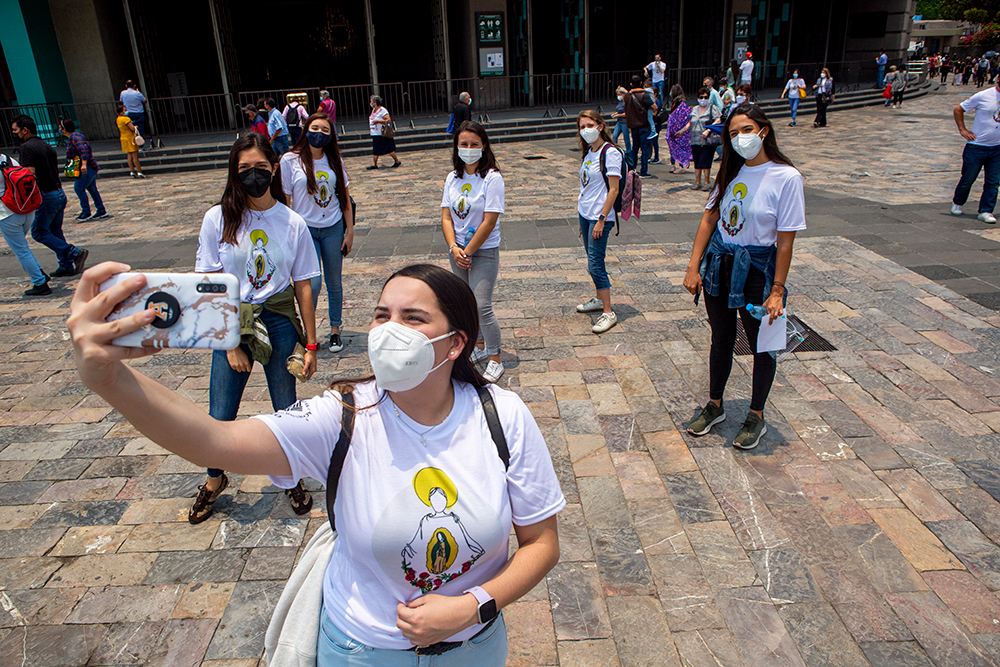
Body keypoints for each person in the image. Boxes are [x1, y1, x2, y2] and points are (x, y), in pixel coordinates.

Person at [68, 258, 565, 665]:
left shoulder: (503, 414)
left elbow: (541, 543)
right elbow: (212, 441)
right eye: (380, 315)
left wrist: (472, 607)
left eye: (413, 318)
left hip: (474, 647)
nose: (390, 330)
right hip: (363, 651)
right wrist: (108, 380)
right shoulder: (341, 415)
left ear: (455, 343)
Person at [188, 132, 320, 523]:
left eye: (260, 168)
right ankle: (214, 479)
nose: (253, 176)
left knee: (287, 409)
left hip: (279, 321)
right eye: (244, 169)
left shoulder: (292, 221)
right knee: (221, 412)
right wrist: (229, 342)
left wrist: (310, 344)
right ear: (234, 172)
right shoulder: (218, 219)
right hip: (234, 324)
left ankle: (290, 475)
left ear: (274, 168)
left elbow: (304, 285)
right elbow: (209, 287)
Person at [682, 104, 805, 450]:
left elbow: (785, 240)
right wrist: (694, 266)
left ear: (763, 131)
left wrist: (778, 290)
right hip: (720, 265)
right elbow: (709, 219)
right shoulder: (730, 172)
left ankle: (756, 414)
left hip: (757, 271)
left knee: (761, 345)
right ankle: (716, 405)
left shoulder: (786, 177)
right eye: (733, 133)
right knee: (721, 338)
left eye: (747, 130)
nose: (740, 139)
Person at [281, 112, 355, 353]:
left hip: (333, 226)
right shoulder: (290, 160)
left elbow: (343, 197)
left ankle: (335, 330)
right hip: (305, 231)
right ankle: (306, 332)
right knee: (311, 284)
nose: (319, 133)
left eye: (325, 130)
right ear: (306, 129)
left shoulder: (334, 161)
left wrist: (349, 230)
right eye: (315, 128)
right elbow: (285, 199)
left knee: (334, 281)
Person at [440, 121, 506, 382]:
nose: (468, 149)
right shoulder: (452, 178)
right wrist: (454, 248)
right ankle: (477, 347)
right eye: (464, 144)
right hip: (457, 251)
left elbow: (489, 221)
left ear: (484, 146)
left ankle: (495, 357)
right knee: (463, 304)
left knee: (482, 305)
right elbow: (446, 217)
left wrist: (467, 251)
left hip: (482, 250)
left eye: (474, 144)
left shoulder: (492, 178)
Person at [11, 115, 89, 278]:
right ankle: (66, 265)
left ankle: (73, 252)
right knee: (54, 230)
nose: (14, 133)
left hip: (45, 195)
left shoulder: (27, 148)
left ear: (25, 130)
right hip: (58, 192)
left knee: (39, 232)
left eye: (16, 130)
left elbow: (29, 175)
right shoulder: (46, 145)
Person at [575, 110, 620, 334]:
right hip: (586, 214)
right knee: (591, 261)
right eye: (582, 126)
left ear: (600, 126)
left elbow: (613, 190)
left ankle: (608, 311)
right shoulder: (589, 152)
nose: (586, 130)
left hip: (599, 216)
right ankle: (598, 298)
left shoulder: (610, 153)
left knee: (596, 264)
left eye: (590, 125)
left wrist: (602, 219)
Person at [951, 78, 1000, 224]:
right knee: (968, 178)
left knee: (993, 182)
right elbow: (958, 109)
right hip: (976, 147)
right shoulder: (983, 95)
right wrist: (962, 129)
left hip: (997, 148)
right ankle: (958, 202)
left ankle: (986, 210)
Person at [0, 153, 50, 296]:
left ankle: (40, 282)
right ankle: (39, 272)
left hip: (7, 213)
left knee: (21, 250)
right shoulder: (8, 159)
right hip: (26, 209)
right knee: (23, 247)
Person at [59, 119, 108, 222]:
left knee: (79, 188)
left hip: (86, 167)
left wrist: (84, 164)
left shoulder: (75, 137)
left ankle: (86, 211)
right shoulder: (73, 137)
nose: (59, 130)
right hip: (88, 166)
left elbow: (84, 150)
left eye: (60, 128)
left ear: (64, 129)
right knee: (92, 188)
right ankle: (101, 210)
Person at [690, 87, 722, 190]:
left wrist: (708, 130)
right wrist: (681, 131)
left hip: (707, 139)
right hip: (695, 138)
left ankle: (707, 182)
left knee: (706, 160)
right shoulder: (694, 109)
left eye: (705, 97)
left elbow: (718, 120)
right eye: (701, 97)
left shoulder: (712, 108)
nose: (703, 99)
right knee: (697, 161)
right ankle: (697, 181)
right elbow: (690, 122)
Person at [624, 76, 654, 178]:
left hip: (633, 126)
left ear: (631, 84)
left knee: (635, 148)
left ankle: (632, 169)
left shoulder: (627, 96)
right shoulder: (644, 95)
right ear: (641, 83)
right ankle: (644, 171)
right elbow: (654, 106)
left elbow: (626, 111)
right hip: (644, 125)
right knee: (645, 149)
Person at [368, 95, 401, 170]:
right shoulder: (373, 110)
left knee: (389, 148)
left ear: (375, 102)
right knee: (375, 149)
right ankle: (374, 164)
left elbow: (388, 120)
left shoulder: (382, 110)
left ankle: (396, 160)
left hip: (382, 133)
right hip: (375, 132)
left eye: (371, 101)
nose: (370, 103)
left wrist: (378, 121)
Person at [667, 84, 692, 175]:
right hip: (674, 128)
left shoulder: (680, 103)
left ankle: (681, 166)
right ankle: (673, 164)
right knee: (673, 146)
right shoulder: (675, 102)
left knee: (678, 147)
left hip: (679, 129)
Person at [116, 103, 144, 178]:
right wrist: (135, 127)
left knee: (129, 155)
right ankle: (139, 171)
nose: (126, 111)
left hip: (123, 138)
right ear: (121, 112)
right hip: (130, 138)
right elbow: (132, 128)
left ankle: (132, 171)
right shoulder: (126, 119)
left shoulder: (118, 119)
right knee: (135, 156)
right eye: (125, 110)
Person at [119, 80, 147, 147]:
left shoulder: (123, 93)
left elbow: (121, 101)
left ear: (126, 85)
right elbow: (145, 101)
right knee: (139, 129)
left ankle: (133, 145)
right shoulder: (137, 93)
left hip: (128, 113)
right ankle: (140, 146)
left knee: (131, 129)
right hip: (138, 113)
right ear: (134, 85)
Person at [611, 86, 632, 161]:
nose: (618, 96)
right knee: (614, 136)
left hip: (625, 122)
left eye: (619, 94)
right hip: (619, 122)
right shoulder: (620, 102)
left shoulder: (627, 102)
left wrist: (618, 115)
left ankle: (629, 153)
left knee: (626, 138)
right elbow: (618, 111)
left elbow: (627, 113)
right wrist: (615, 114)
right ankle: (614, 150)